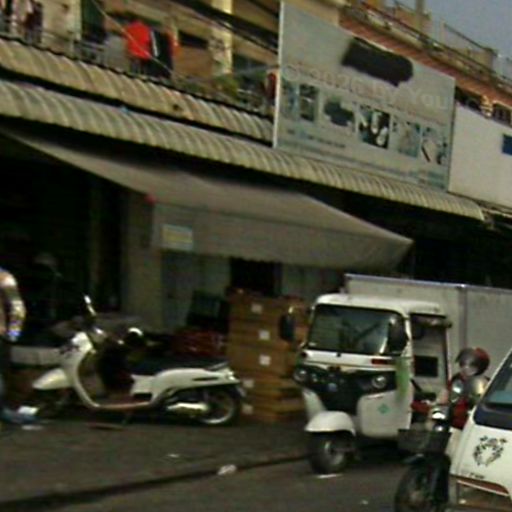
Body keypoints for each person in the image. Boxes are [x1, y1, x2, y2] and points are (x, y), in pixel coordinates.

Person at [0, 265, 35, 425]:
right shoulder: (4, 277)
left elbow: (18, 309)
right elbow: (18, 308)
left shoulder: (4, 277)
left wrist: (12, 334)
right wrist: (12, 335)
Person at [439, 347, 490, 429]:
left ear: (480, 368)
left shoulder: (484, 384)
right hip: (452, 425)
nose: (465, 368)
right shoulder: (455, 379)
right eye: (462, 364)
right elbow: (443, 400)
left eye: (472, 365)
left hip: (472, 427)